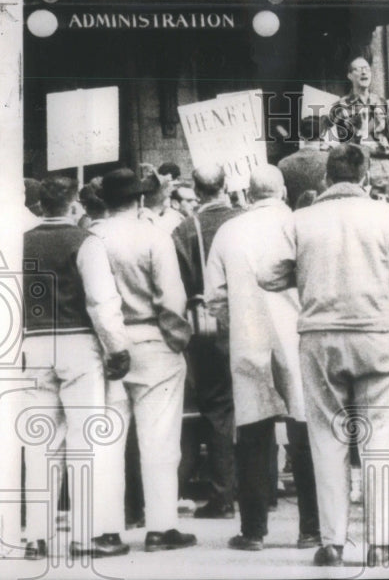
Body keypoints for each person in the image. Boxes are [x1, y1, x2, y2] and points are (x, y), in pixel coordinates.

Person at [258, 144, 389, 567]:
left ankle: (332, 540)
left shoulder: (300, 220)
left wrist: (304, 273)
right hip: (376, 332)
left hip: (320, 335)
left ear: (325, 177)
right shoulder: (385, 214)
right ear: (365, 175)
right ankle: (382, 542)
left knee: (327, 436)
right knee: (379, 436)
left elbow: (267, 274)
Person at [204, 165, 319, 552]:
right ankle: (311, 528)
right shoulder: (300, 224)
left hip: (248, 337)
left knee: (252, 432)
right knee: (305, 430)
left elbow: (215, 297)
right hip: (297, 336)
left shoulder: (228, 231)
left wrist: (234, 323)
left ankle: (253, 530)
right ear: (283, 191)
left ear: (249, 195)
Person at [20, 176, 132, 560]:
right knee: (85, 441)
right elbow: (101, 301)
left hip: (33, 342)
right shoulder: (85, 242)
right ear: (73, 206)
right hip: (79, 343)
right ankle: (85, 535)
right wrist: (117, 348)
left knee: (40, 443)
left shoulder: (22, 240)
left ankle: (36, 535)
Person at [93, 168, 197, 552]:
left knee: (107, 440)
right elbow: (171, 297)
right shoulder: (154, 236)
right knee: (160, 440)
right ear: (140, 199)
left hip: (107, 346)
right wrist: (177, 338)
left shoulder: (93, 237)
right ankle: (160, 527)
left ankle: (106, 528)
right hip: (153, 340)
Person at [170, 166, 244, 519]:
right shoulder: (246, 222)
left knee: (217, 408)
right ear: (225, 185)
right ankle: (260, 491)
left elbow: (178, 286)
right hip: (250, 321)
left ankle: (221, 495)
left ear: (196, 189)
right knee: (256, 406)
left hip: (208, 327)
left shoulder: (185, 230)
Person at [329, 56, 389, 202]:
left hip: (384, 168)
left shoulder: (381, 102)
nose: (364, 73)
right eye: (358, 69)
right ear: (349, 75)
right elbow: (340, 143)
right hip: (357, 170)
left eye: (367, 69)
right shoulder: (340, 106)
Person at [279, 115, 330, 210]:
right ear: (322, 134)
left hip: (296, 218)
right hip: (325, 217)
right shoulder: (330, 161)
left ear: (300, 134)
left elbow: (284, 199)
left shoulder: (283, 164)